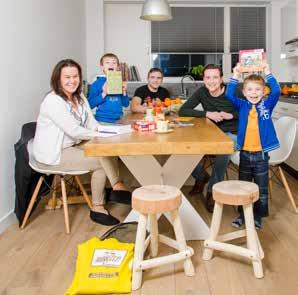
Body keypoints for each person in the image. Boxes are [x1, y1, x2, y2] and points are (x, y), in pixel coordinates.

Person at [29, 59, 130, 226]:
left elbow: (92, 124)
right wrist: (101, 134)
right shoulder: (52, 100)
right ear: (58, 79)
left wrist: (107, 132)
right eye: (67, 77)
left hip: (73, 145)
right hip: (54, 153)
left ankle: (116, 185)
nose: (72, 80)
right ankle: (98, 207)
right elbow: (74, 130)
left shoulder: (80, 96)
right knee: (99, 161)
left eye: (75, 76)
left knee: (105, 147)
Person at [226, 61, 280, 230]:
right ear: (244, 92)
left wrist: (268, 72)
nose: (254, 93)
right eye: (249, 89)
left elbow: (277, 90)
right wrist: (235, 74)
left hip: (261, 156)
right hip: (245, 154)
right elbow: (228, 94)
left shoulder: (266, 105)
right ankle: (242, 215)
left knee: (261, 190)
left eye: (258, 89)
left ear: (263, 91)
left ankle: (257, 217)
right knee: (244, 187)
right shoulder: (242, 105)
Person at [179, 64, 238, 213]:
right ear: (203, 79)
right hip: (211, 132)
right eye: (208, 77)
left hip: (233, 133)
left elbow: (249, 111)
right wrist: (207, 114)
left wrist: (231, 115)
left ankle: (213, 191)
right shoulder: (202, 92)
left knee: (222, 153)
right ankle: (201, 176)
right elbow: (183, 110)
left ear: (221, 78)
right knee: (184, 148)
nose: (211, 81)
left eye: (215, 77)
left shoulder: (233, 91)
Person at [88, 53, 129, 123]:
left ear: (118, 67)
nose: (111, 64)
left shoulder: (120, 82)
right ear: (102, 67)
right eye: (107, 62)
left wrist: (124, 92)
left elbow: (126, 104)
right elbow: (90, 105)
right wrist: (103, 94)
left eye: (114, 62)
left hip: (119, 120)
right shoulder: (96, 83)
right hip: (102, 120)